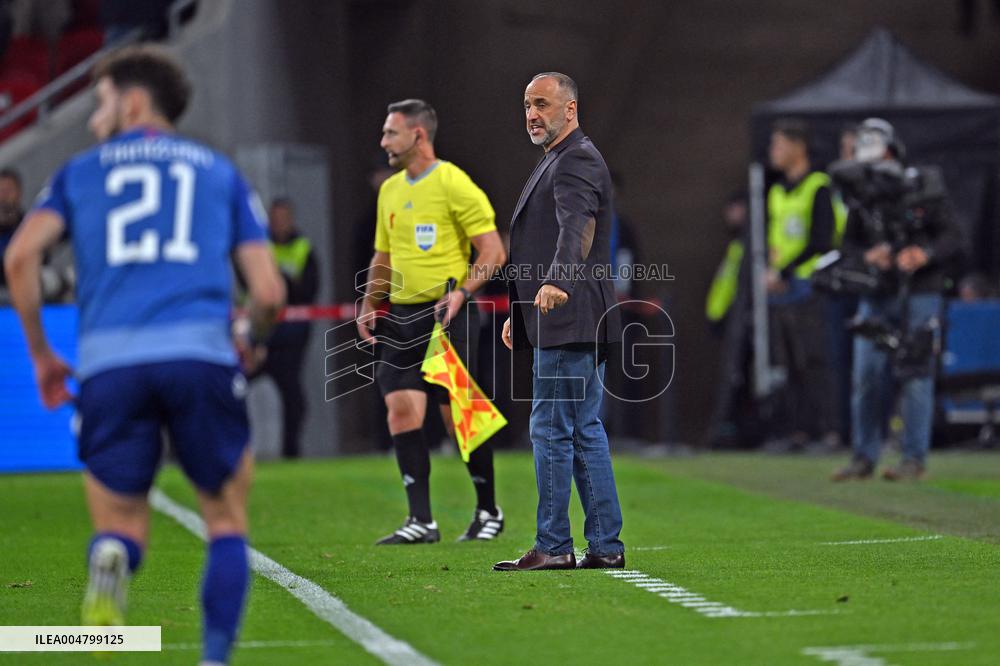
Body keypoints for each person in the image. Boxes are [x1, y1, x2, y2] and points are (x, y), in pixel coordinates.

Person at [3, 46, 285, 666]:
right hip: (201, 357)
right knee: (225, 518)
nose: (94, 116)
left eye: (100, 101)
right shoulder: (218, 171)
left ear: (133, 100)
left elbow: (20, 259)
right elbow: (267, 291)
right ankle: (214, 658)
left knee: (121, 520)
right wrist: (251, 340)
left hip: (110, 365)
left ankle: (113, 556)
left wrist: (45, 356)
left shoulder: (79, 173)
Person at [357, 98, 507, 544]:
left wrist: (463, 292)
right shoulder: (389, 190)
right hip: (402, 315)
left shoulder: (453, 183)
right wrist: (369, 303)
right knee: (400, 408)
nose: (383, 141)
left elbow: (493, 251)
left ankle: (488, 510)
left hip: (448, 312)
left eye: (391, 133)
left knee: (455, 415)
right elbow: (383, 256)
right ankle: (420, 520)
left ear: (418, 135)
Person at [494, 72, 624, 572]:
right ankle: (604, 546)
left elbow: (578, 227)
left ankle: (553, 545)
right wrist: (519, 311)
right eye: (527, 104)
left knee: (552, 429)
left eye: (542, 104)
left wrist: (559, 282)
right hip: (562, 315)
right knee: (582, 429)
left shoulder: (577, 160)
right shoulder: (560, 159)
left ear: (569, 109)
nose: (531, 113)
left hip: (569, 316)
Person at [832, 118, 964, 481]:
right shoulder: (862, 198)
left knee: (916, 373)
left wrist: (924, 253)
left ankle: (913, 459)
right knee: (866, 376)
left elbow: (953, 236)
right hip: (877, 293)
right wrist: (870, 255)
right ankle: (863, 457)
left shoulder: (922, 187)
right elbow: (850, 246)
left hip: (921, 291)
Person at [764, 119, 843, 451]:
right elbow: (775, 240)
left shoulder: (818, 187)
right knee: (790, 364)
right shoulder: (778, 192)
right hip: (782, 288)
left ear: (799, 148)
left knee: (815, 361)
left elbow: (821, 240)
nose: (773, 153)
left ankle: (830, 431)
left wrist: (785, 271)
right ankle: (798, 431)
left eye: (779, 145)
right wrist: (772, 271)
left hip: (809, 284)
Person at [250, 197, 319, 458]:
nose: (279, 224)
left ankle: (292, 454)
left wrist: (282, 282)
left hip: (290, 340)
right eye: (275, 218)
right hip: (260, 335)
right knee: (233, 389)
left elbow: (309, 290)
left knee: (293, 399)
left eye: (283, 218)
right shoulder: (259, 246)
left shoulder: (302, 248)